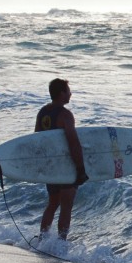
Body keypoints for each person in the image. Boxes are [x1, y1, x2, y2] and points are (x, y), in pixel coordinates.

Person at [35, 78, 89, 240]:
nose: (70, 94)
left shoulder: (43, 112)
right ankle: (61, 244)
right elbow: (73, 142)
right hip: (65, 166)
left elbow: (37, 140)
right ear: (61, 93)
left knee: (53, 203)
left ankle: (43, 238)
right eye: (68, 90)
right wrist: (80, 168)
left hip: (51, 165)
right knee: (66, 206)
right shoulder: (65, 115)